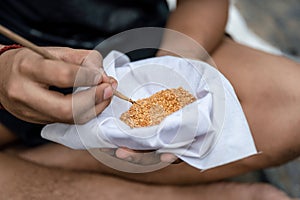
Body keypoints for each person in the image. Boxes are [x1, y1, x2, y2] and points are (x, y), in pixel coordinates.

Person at [0, 0, 298, 199]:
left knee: (291, 108)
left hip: (145, 43)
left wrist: (170, 69)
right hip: (12, 64)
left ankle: (39, 163)